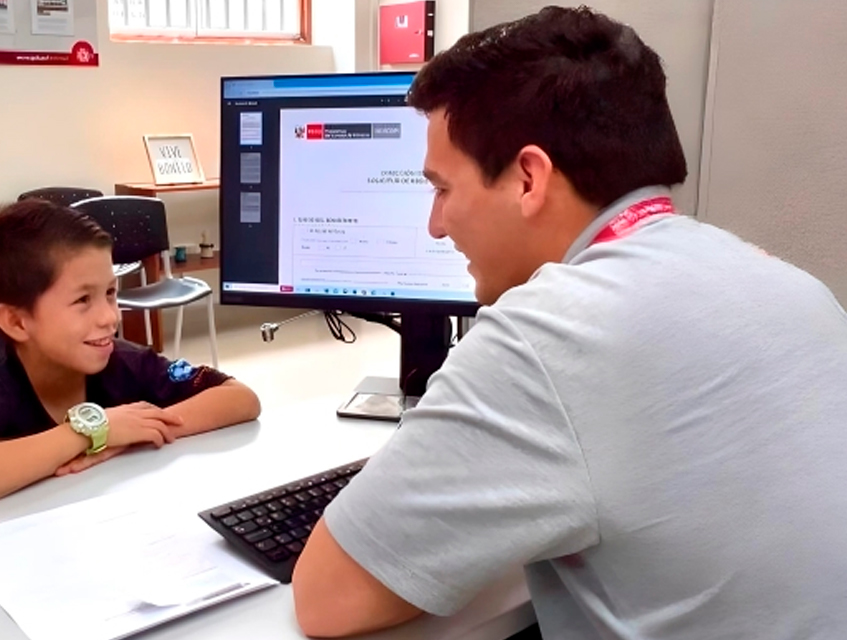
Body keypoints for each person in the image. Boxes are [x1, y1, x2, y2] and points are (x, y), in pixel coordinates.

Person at [291, 6, 847, 639]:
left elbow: (329, 600)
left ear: (529, 178)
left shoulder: (545, 336)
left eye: (442, 189)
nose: (435, 225)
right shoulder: (792, 286)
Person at [0, 199, 261, 507]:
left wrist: (137, 432)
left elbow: (240, 398)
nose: (111, 317)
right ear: (17, 321)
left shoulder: (125, 361)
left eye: (110, 293)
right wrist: (93, 431)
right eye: (82, 301)